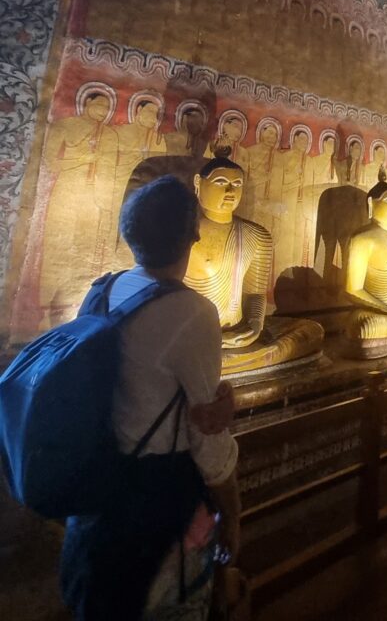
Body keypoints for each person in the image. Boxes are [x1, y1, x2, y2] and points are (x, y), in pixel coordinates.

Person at [60, 176, 241, 621]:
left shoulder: (102, 289)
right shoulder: (192, 312)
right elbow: (206, 434)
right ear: (193, 235)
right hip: (156, 502)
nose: (230, 191)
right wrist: (233, 513)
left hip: (96, 497)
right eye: (221, 183)